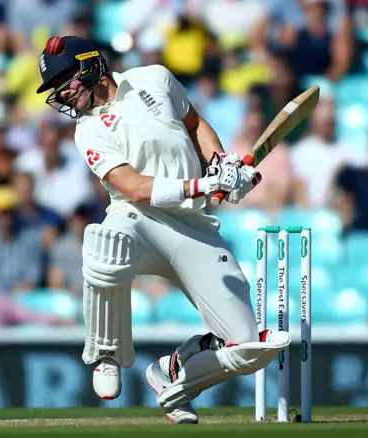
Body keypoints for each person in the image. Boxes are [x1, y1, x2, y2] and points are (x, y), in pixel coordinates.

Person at [35, 36, 290, 424]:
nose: (63, 95)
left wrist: (222, 164)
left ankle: (175, 376)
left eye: (65, 80)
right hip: (140, 221)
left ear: (90, 66)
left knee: (250, 349)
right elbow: (135, 187)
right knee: (105, 240)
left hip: (194, 227)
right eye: (57, 89)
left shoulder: (153, 78)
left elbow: (196, 123)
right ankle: (106, 354)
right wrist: (204, 184)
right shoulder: (87, 130)